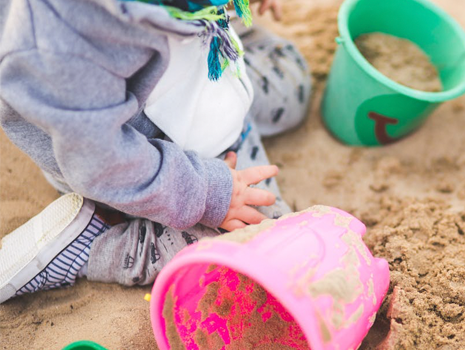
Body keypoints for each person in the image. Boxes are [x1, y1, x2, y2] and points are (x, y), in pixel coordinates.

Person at [0, 0, 312, 303]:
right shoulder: (59, 41)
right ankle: (94, 244)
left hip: (203, 77)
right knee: (263, 241)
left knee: (293, 82)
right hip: (149, 166)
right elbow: (104, 165)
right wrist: (208, 193)